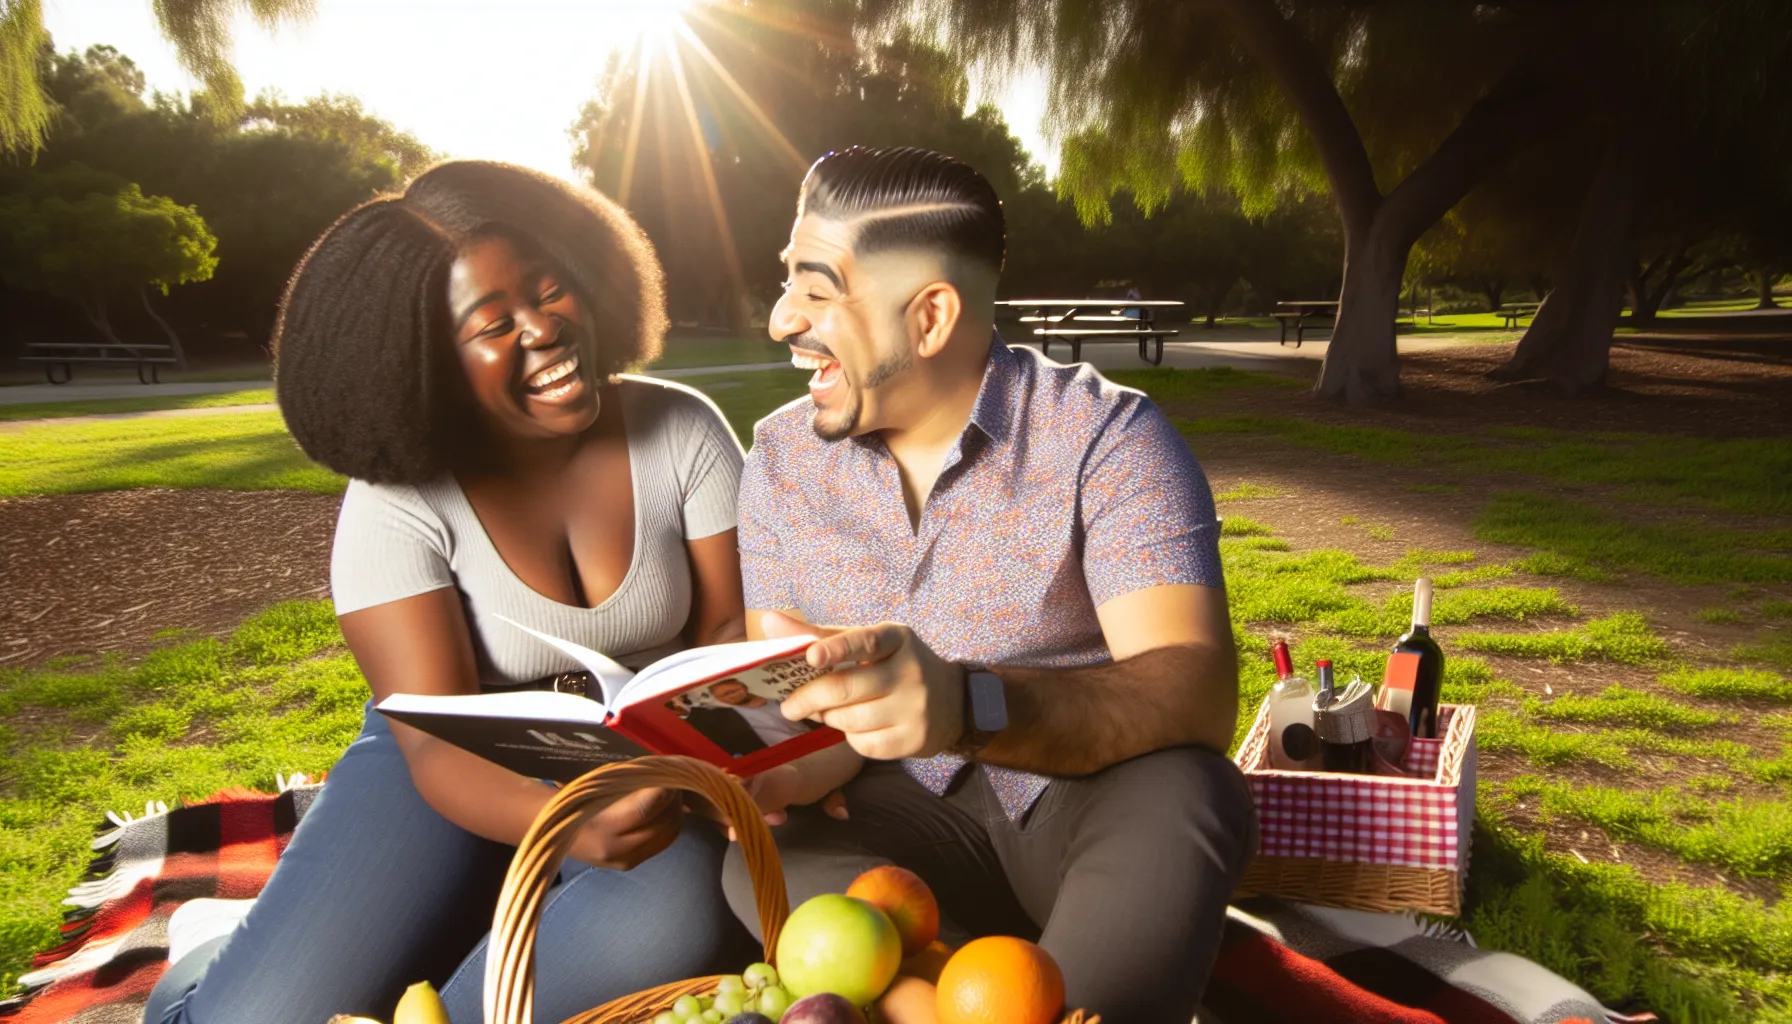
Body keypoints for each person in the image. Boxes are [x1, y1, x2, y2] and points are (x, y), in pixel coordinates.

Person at [143, 162, 838, 1024]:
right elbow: (434, 748)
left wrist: (743, 746)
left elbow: (725, 623)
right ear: (424, 359)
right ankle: (205, 964)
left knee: (678, 919)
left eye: (552, 291)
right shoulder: (393, 504)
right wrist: (567, 823)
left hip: (640, 765)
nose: (545, 329)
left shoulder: (681, 429)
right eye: (493, 323)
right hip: (445, 768)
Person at [724, 146, 1257, 1023]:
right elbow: (806, 710)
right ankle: (974, 996)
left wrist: (970, 704)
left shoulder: (1109, 437)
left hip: (1087, 802)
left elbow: (1193, 690)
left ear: (928, 317)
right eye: (788, 284)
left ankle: (992, 988)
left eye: (816, 292)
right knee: (758, 860)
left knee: (1191, 795)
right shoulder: (779, 459)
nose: (784, 318)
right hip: (892, 820)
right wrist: (764, 772)